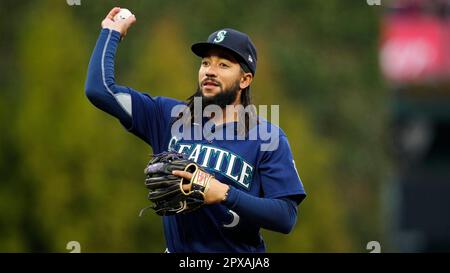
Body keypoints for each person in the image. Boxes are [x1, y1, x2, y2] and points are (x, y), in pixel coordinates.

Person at [85, 7, 306, 253]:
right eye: (205, 63)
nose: (210, 70)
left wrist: (224, 193)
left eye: (223, 65)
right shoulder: (167, 116)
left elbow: (286, 217)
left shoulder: (268, 138)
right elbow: (99, 90)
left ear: (245, 80)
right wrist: (111, 33)